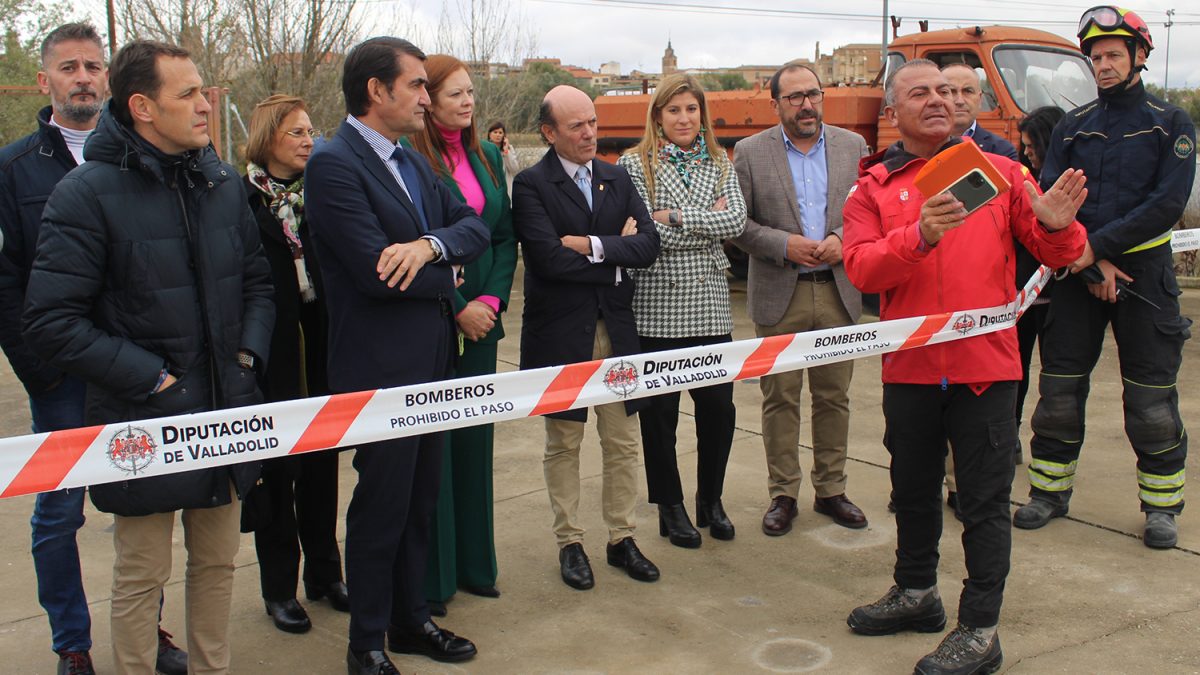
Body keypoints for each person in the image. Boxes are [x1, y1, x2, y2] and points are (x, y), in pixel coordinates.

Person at [22, 39, 275, 674]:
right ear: (141, 106)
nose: (205, 107)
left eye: (203, 92)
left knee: (217, 564)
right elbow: (52, 321)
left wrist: (245, 359)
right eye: (187, 94)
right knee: (142, 574)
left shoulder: (220, 182)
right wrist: (154, 379)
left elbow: (258, 285)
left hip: (224, 413)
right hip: (142, 421)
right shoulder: (86, 194)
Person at [841, 58, 1087, 674]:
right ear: (892, 113)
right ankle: (917, 593)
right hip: (911, 371)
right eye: (918, 93)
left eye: (945, 93)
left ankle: (980, 630)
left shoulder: (1002, 171)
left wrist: (1060, 229)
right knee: (913, 492)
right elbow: (863, 269)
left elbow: (1060, 248)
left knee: (982, 502)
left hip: (986, 369)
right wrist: (918, 235)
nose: (937, 101)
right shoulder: (871, 187)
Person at [0, 23, 187, 675]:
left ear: (109, 79)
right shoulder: (15, 170)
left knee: (144, 511)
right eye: (68, 67)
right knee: (59, 514)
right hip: (63, 380)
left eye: (93, 66)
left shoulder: (146, 157)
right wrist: (44, 371)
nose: (83, 76)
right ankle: (71, 642)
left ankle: (148, 628)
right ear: (45, 79)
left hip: (137, 374)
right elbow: (8, 283)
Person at [304, 37, 490, 674]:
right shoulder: (332, 163)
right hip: (379, 367)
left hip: (433, 357)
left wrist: (430, 248)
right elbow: (374, 272)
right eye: (414, 84)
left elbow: (474, 226)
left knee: (420, 499)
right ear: (376, 91)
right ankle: (367, 642)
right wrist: (450, 276)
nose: (426, 95)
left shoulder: (411, 161)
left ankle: (412, 621)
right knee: (381, 505)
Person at [1016, 7, 1195, 549]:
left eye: (1114, 54)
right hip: (1078, 274)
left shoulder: (1171, 122)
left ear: (1139, 57)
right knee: (1060, 392)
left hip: (1146, 277)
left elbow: (1166, 204)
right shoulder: (1072, 124)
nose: (1103, 64)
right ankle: (1049, 493)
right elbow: (1053, 202)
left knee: (1151, 401)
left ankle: (1161, 507)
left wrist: (1096, 247)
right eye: (1095, 56)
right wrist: (1088, 262)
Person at [512, 85, 661, 591]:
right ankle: (570, 542)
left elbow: (650, 245)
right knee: (564, 442)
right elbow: (548, 261)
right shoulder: (531, 185)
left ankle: (622, 538)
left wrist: (592, 245)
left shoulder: (616, 177)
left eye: (593, 122)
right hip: (559, 336)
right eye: (576, 126)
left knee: (622, 442)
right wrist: (614, 258)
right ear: (549, 132)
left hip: (616, 333)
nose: (589, 133)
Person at [730, 62, 870, 535]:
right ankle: (783, 494)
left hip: (837, 291)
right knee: (780, 399)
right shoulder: (750, 153)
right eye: (794, 97)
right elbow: (739, 225)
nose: (806, 104)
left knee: (834, 397)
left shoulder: (854, 147)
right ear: (776, 104)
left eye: (813, 94)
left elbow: (872, 212)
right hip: (779, 295)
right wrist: (782, 244)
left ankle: (831, 489)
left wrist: (841, 236)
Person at [405, 55, 518, 617]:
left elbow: (502, 235)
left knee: (475, 443)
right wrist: (459, 307)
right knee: (435, 450)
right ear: (428, 100)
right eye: (455, 94)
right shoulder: (411, 160)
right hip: (435, 315)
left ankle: (476, 565)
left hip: (485, 323)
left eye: (471, 92)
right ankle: (435, 577)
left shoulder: (488, 155)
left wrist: (491, 301)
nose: (468, 102)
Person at [616, 73, 745, 547]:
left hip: (709, 304)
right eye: (674, 110)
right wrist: (698, 225)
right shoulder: (635, 164)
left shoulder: (718, 160)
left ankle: (711, 500)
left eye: (691, 110)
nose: (684, 118)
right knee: (659, 417)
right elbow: (644, 234)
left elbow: (735, 220)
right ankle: (670, 507)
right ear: (658, 115)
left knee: (719, 409)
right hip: (656, 303)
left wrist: (675, 216)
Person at [242, 94, 348, 635]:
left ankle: (326, 575)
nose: (310, 141)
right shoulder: (241, 201)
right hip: (273, 356)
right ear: (268, 139)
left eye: (312, 131)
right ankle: (280, 588)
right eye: (298, 133)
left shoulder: (321, 197)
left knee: (323, 470)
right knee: (278, 475)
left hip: (321, 347)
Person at [942, 63, 1018, 160]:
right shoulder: (922, 147)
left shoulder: (1002, 150)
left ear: (980, 99)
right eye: (951, 91)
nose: (959, 101)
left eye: (968, 91)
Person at [485, 121, 519, 195]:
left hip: (506, 190)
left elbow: (514, 169)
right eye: (495, 132)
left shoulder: (509, 149)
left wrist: (506, 151)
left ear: (504, 135)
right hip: (490, 188)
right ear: (489, 134)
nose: (498, 135)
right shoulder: (484, 149)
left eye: (500, 133)